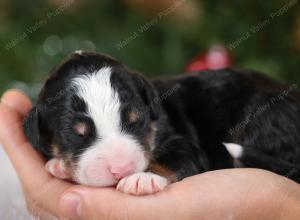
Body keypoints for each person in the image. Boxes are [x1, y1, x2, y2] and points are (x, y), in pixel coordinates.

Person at [0, 89, 299, 220]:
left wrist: (278, 205)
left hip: (266, 110)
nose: (119, 163)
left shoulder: (161, 116)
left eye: (132, 126)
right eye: (78, 139)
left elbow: (185, 153)